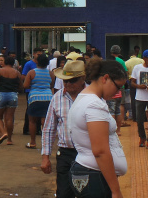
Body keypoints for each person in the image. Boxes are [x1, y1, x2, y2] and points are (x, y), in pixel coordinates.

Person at [67, 58, 128, 198]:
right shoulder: (94, 105)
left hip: (90, 173)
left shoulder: (85, 98)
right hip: (94, 175)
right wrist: (116, 190)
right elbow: (100, 151)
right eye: (117, 87)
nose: (117, 92)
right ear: (105, 78)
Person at [41, 59, 86, 198]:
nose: (68, 84)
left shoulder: (93, 97)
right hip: (65, 154)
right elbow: (49, 129)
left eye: (72, 80)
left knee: (86, 192)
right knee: (64, 193)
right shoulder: (57, 98)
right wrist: (45, 157)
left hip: (87, 154)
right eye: (65, 80)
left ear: (83, 79)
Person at [0, 55, 23, 145]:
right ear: (13, 63)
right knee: (9, 118)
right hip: (13, 95)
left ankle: (3, 133)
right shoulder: (17, 73)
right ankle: (9, 140)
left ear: (5, 62)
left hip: (1, 95)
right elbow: (21, 86)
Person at [24, 54, 54, 149]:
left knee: (32, 121)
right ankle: (46, 143)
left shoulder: (32, 73)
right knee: (45, 122)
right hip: (48, 98)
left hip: (34, 98)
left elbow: (25, 85)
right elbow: (51, 85)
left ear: (37, 62)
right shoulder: (50, 73)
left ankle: (33, 142)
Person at [109, 45, 129, 135]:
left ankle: (112, 130)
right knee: (120, 106)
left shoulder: (108, 61)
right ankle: (119, 130)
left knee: (111, 109)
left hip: (111, 86)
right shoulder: (121, 61)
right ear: (119, 52)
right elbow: (126, 73)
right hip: (121, 87)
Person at [124, 53, 144, 123]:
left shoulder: (126, 62)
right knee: (142, 98)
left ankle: (134, 117)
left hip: (132, 81)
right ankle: (143, 116)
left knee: (133, 99)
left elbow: (126, 73)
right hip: (141, 80)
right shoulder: (141, 61)